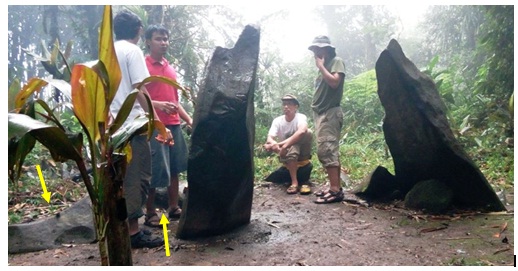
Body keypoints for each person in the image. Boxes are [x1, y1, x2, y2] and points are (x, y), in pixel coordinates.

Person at [111, 10, 172, 248]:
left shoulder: (107, 53)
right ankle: (134, 233)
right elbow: (140, 90)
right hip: (131, 126)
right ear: (139, 31)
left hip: (112, 126)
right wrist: (157, 123)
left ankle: (126, 229)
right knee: (137, 177)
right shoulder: (132, 51)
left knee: (121, 178)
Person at [143, 24, 193, 227]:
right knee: (155, 170)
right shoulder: (143, 66)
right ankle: (150, 213)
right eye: (158, 39)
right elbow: (137, 97)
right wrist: (157, 105)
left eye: (165, 39)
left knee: (175, 168)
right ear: (148, 41)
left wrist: (189, 120)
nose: (163, 43)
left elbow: (175, 100)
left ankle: (173, 207)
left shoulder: (169, 67)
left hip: (174, 124)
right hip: (155, 125)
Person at [307, 35, 346, 204]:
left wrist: (321, 66)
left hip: (330, 113)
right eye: (315, 48)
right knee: (328, 150)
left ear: (328, 49)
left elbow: (335, 83)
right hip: (321, 114)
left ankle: (335, 191)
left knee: (327, 150)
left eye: (320, 48)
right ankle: (334, 187)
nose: (316, 51)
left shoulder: (336, 61)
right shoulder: (322, 67)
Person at [264, 94, 313, 195]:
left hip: (301, 154)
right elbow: (270, 138)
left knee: (307, 132)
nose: (286, 106)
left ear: (296, 107)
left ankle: (294, 182)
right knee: (292, 146)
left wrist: (283, 145)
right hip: (285, 154)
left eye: (290, 104)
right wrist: (274, 145)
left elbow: (302, 131)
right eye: (284, 104)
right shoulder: (277, 121)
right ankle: (294, 181)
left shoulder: (301, 117)